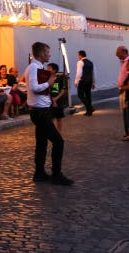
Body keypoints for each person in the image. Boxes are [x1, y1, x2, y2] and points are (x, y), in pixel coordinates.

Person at [25, 42, 73, 185]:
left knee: (42, 142)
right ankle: (56, 174)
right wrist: (49, 84)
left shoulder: (37, 67)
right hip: (40, 112)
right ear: (40, 53)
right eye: (47, 52)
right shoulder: (34, 67)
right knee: (58, 142)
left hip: (42, 110)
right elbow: (34, 88)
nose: (49, 54)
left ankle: (39, 173)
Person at [116, 45, 129, 139]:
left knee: (127, 112)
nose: (116, 55)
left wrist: (123, 88)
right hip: (123, 89)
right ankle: (128, 131)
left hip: (126, 90)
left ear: (124, 52)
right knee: (125, 112)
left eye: (118, 53)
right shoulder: (124, 62)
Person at [48, 63, 68, 132]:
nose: (47, 69)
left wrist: (55, 100)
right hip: (49, 101)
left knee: (58, 119)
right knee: (50, 119)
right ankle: (52, 134)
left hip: (58, 101)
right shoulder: (46, 78)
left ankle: (58, 134)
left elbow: (62, 90)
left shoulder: (59, 79)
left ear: (54, 70)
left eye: (49, 68)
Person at [75, 50, 95, 115]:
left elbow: (79, 73)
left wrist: (76, 81)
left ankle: (90, 108)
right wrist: (93, 82)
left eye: (78, 55)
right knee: (88, 96)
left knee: (80, 95)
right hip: (89, 81)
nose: (78, 56)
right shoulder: (90, 62)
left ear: (80, 55)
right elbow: (93, 73)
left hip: (82, 81)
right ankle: (89, 111)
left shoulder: (80, 62)